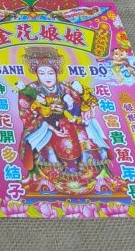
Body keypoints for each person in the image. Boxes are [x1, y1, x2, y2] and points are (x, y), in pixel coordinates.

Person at [18, 47, 112, 183]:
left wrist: (86, 111)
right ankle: (50, 173)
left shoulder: (66, 88)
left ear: (57, 73)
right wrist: (48, 124)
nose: (47, 77)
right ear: (37, 75)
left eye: (50, 73)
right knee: (53, 138)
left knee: (82, 131)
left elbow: (81, 103)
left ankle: (88, 169)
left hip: (70, 121)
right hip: (44, 125)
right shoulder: (29, 91)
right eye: (42, 73)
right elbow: (26, 115)